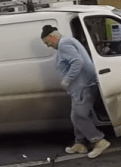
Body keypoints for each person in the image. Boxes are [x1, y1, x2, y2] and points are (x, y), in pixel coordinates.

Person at [40, 24, 111, 158]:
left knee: (79, 116)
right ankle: (79, 143)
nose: (48, 45)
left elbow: (77, 62)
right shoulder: (68, 41)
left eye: (47, 42)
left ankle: (98, 140)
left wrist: (67, 79)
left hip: (82, 86)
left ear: (52, 36)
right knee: (77, 116)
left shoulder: (64, 44)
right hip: (83, 86)